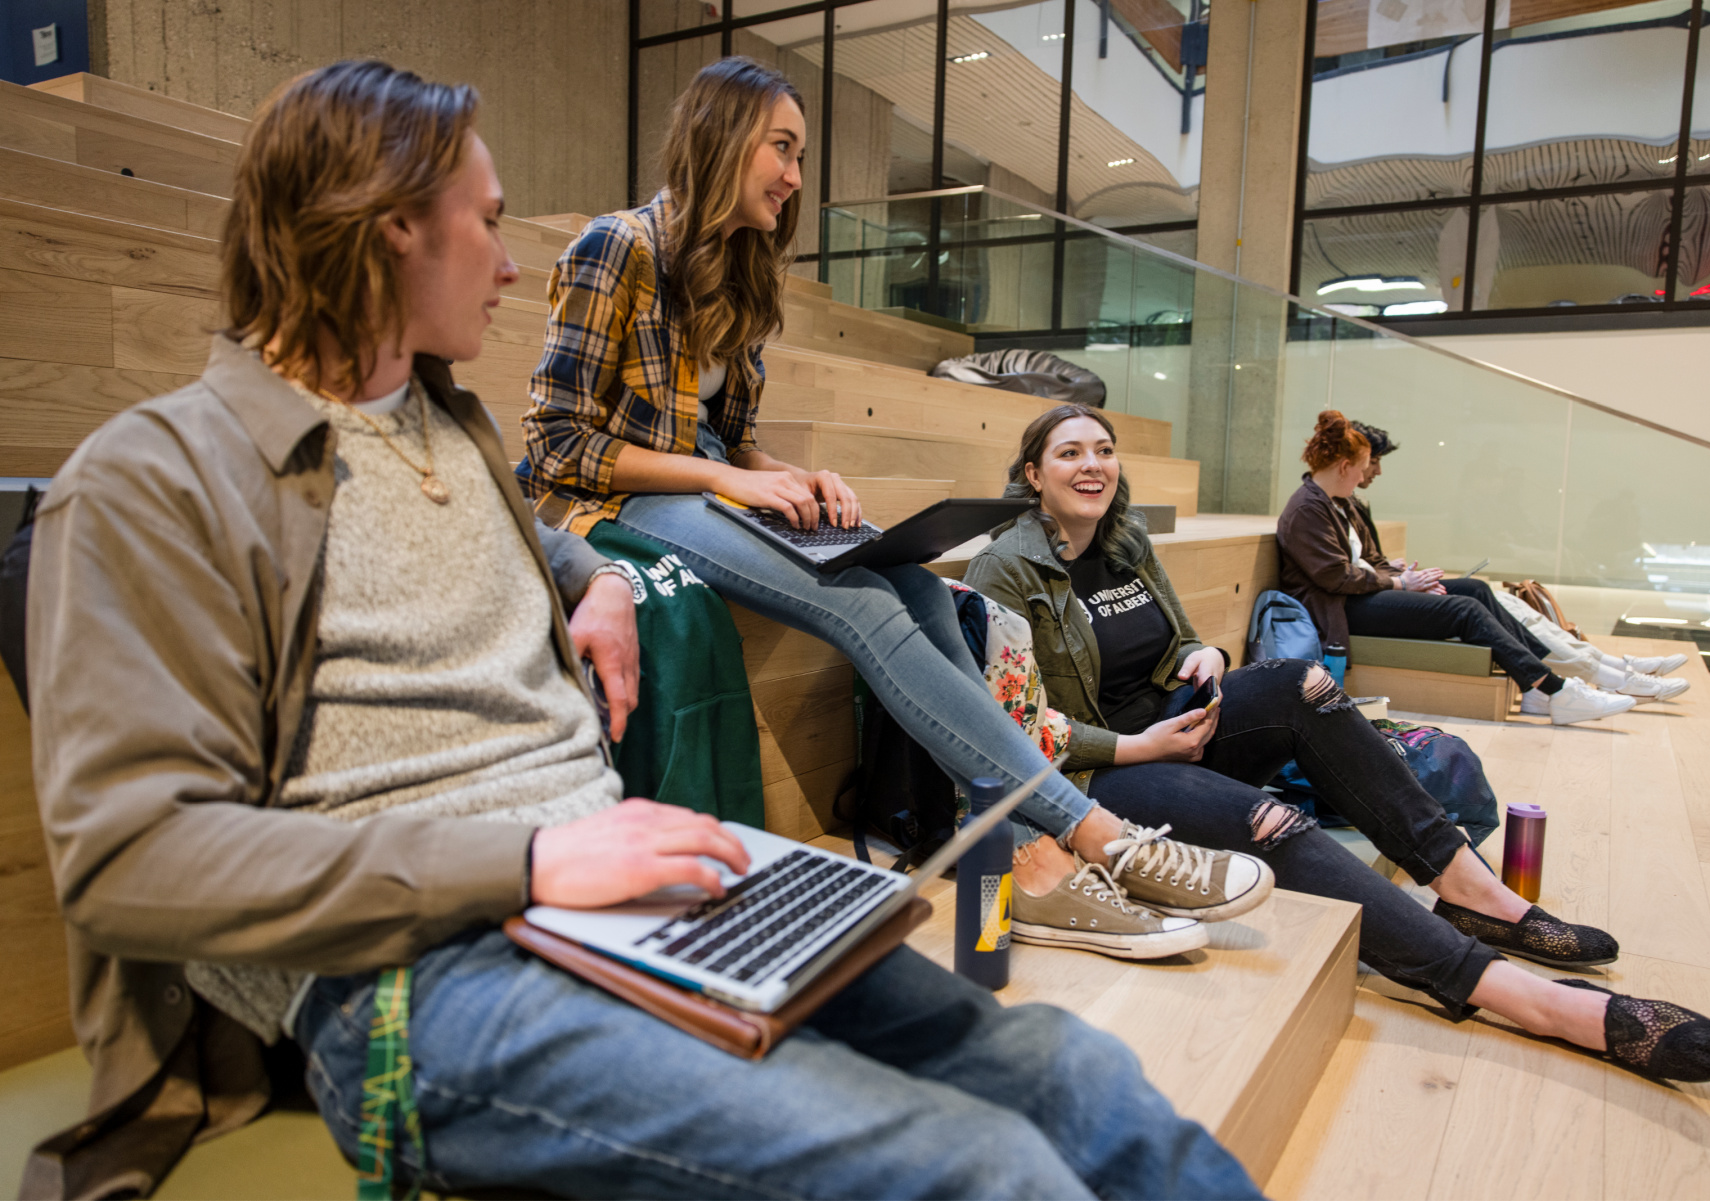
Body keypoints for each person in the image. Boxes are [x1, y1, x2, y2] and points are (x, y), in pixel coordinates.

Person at [21, 61, 1263, 1201]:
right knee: (977, 1166)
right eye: (491, 220)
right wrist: (529, 865)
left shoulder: (438, 430)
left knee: (1067, 1070)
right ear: (391, 224)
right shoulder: (153, 477)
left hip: (621, 902)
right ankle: (1071, 838)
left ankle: (1037, 854)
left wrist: (580, 572)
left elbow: (508, 504)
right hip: (411, 980)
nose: (513, 265)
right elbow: (130, 864)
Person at [514, 56, 1264, 952]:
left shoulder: (749, 269)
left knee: (912, 582)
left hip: (704, 483)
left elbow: (733, 434)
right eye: (781, 150)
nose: (796, 178)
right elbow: (557, 446)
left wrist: (791, 474)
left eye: (800, 156)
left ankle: (1024, 872)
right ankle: (1088, 835)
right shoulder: (619, 247)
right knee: (859, 599)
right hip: (614, 504)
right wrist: (729, 477)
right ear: (722, 139)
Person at [960, 404, 1710, 1084]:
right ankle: (1510, 991)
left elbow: (1183, 636)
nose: (1091, 464)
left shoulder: (1126, 539)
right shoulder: (1004, 567)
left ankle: (1478, 896)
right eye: (1069, 452)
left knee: (1306, 683)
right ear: (1033, 473)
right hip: (1097, 773)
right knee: (1274, 823)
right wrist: (1141, 746)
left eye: (1103, 449)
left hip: (1181, 724)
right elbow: (1016, 726)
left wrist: (1211, 657)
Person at [1278, 411, 1636, 726]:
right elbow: (1336, 578)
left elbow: (1369, 559)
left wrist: (1410, 580)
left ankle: (1539, 683)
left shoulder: (1342, 502)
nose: (1366, 475)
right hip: (1341, 609)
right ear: (1344, 466)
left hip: (1364, 594)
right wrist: (1401, 584)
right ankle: (1554, 690)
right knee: (1463, 610)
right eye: (1363, 467)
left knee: (1475, 589)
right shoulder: (1308, 509)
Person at [1348, 420, 1690, 702]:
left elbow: (1370, 560)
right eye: (1371, 462)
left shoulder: (1351, 503)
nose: (1375, 470)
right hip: (1365, 602)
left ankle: (1608, 665)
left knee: (1503, 600)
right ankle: (1595, 676)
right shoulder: (1323, 506)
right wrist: (1400, 581)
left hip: (1381, 589)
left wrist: (1398, 573)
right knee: (1481, 604)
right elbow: (1342, 573)